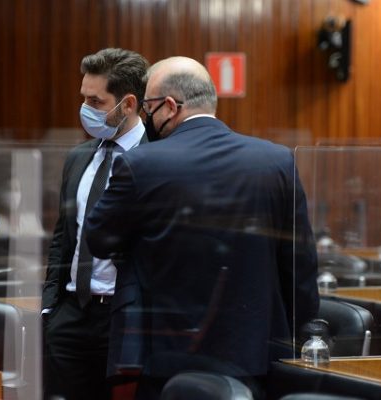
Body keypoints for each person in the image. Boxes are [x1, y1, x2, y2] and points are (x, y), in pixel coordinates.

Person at [84, 56, 319, 399]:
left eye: (148, 107)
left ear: (169, 106)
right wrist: (301, 333)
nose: (147, 118)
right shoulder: (276, 160)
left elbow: (99, 238)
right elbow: (299, 263)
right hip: (256, 348)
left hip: (168, 350)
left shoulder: (141, 163)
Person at [41, 48, 149, 400]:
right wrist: (50, 307)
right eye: (84, 98)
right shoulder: (79, 156)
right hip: (72, 314)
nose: (85, 108)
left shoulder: (159, 157)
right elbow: (63, 236)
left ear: (128, 104)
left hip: (126, 316)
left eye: (96, 101)